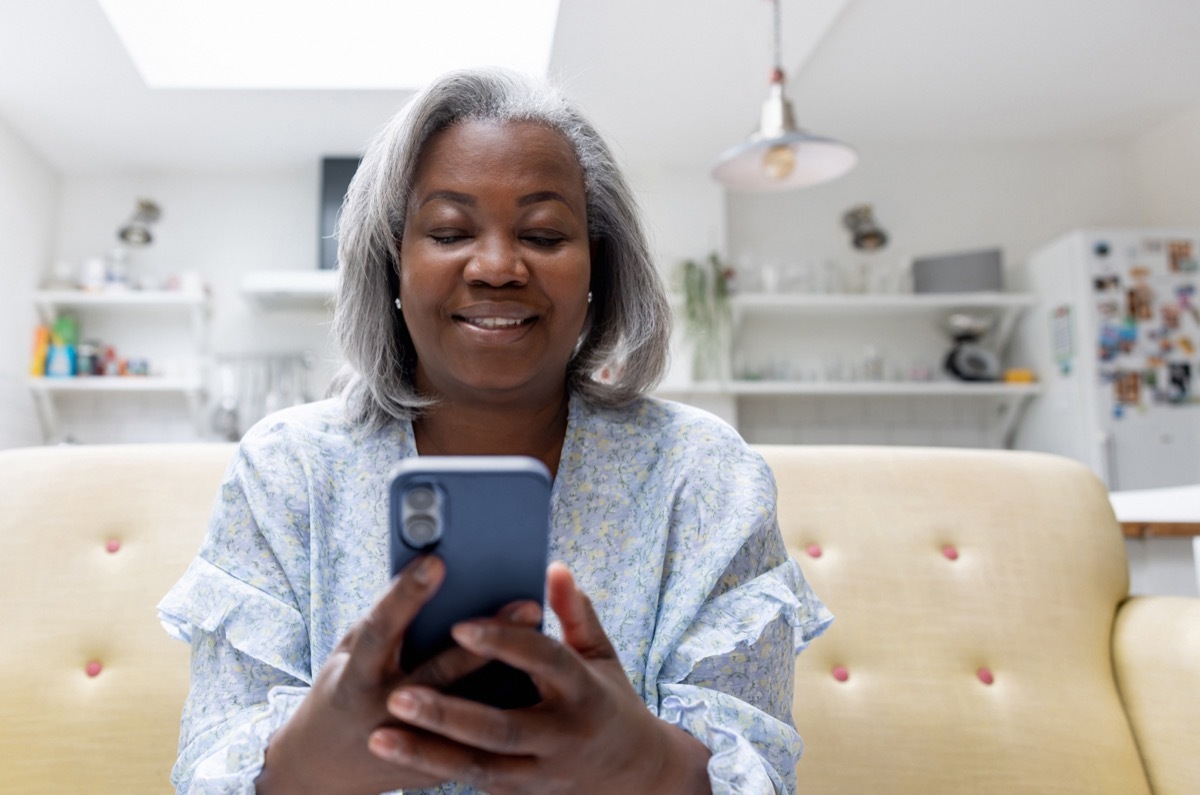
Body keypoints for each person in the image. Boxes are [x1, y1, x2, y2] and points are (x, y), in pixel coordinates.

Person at [158, 67, 832, 795]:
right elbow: (211, 765)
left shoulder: (703, 474)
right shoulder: (286, 468)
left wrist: (645, 764)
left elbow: (758, 769)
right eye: (449, 231)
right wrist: (307, 761)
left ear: (597, 266)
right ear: (394, 260)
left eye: (543, 233)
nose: (498, 266)